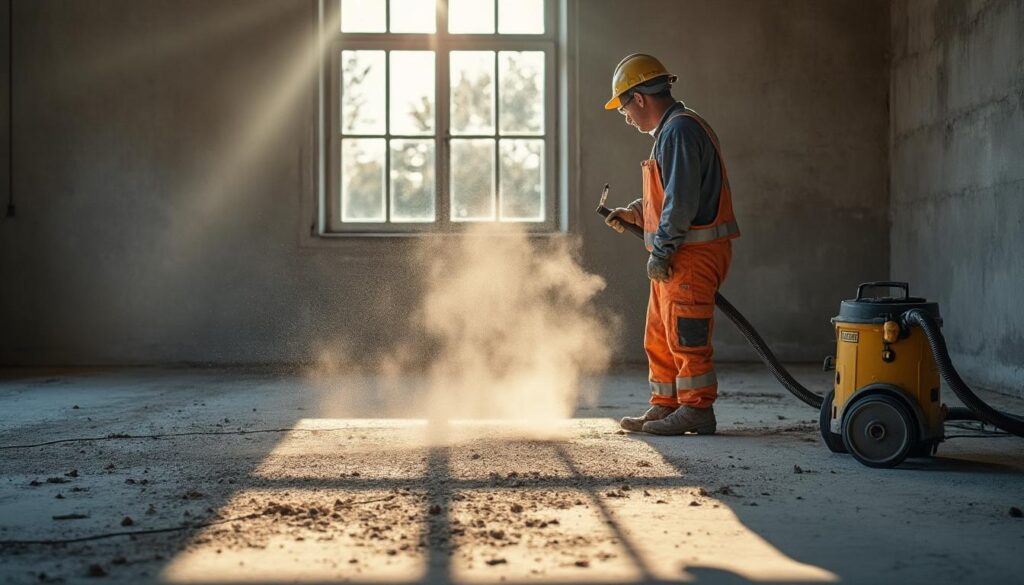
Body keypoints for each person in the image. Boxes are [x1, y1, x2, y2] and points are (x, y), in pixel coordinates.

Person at [602, 54, 740, 435]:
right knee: (661, 333)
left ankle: (697, 409)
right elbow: (668, 198)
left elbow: (682, 202)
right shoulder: (670, 132)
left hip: (691, 254)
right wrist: (635, 213)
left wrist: (661, 250)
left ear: (640, 99)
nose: (626, 116)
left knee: (685, 333)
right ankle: (667, 404)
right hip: (680, 251)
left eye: (624, 108)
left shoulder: (679, 131)